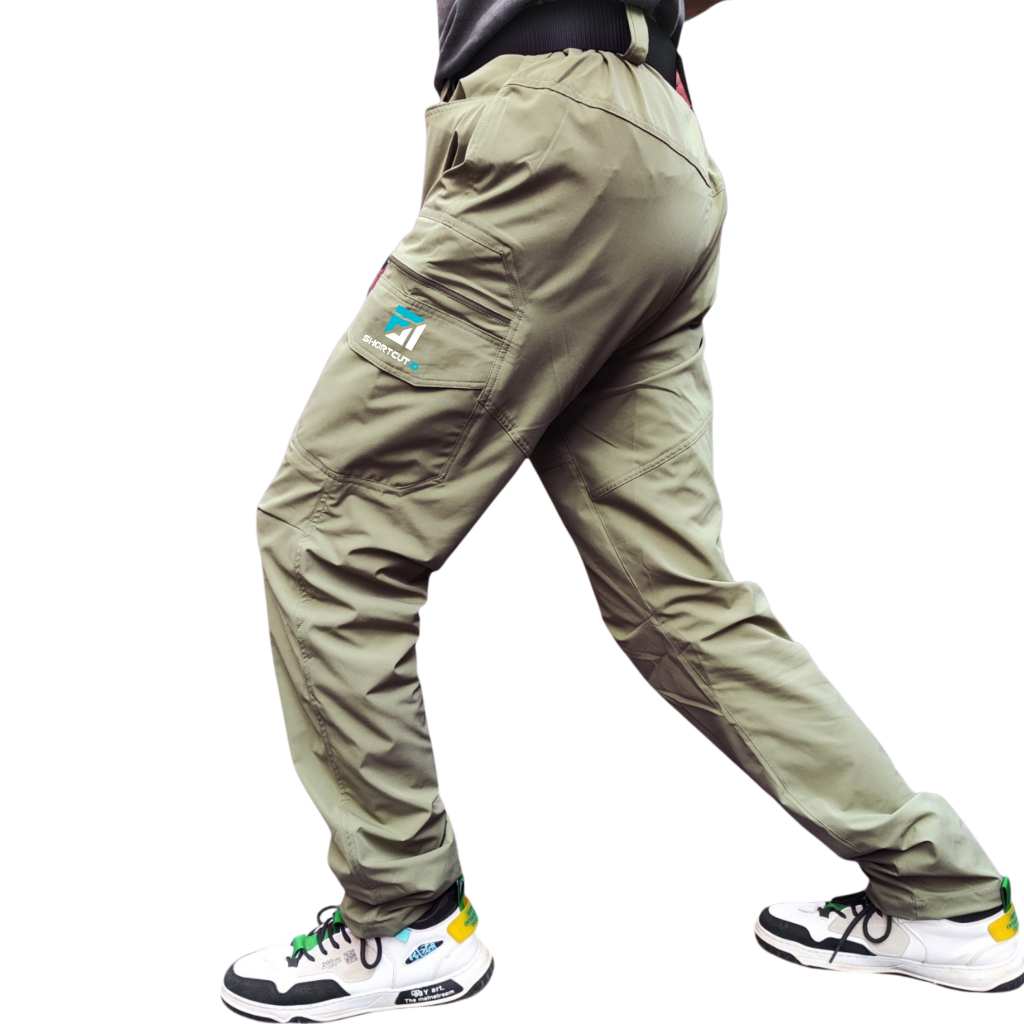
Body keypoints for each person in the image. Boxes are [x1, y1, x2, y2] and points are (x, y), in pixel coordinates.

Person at [221, 1, 1022, 1017]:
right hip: (659, 153)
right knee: (678, 593)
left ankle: (405, 917)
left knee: (326, 535)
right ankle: (946, 898)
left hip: (549, 142)